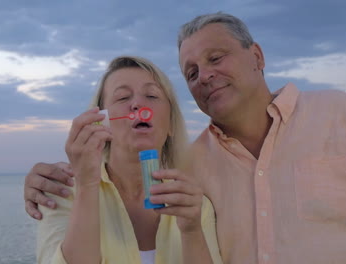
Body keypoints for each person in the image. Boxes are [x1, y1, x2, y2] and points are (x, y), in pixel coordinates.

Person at [25, 13, 346, 264]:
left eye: (216, 58)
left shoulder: (339, 113)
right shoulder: (193, 168)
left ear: (257, 56)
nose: (204, 75)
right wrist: (56, 179)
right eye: (191, 72)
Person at [35, 55, 222, 264]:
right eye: (123, 98)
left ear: (170, 124)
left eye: (151, 96)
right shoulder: (63, 194)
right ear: (101, 121)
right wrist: (87, 184)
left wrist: (191, 230)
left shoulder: (195, 205)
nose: (137, 104)